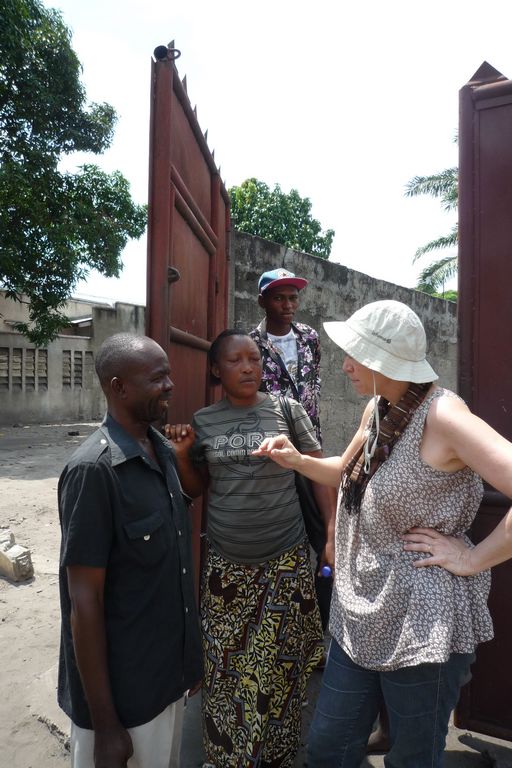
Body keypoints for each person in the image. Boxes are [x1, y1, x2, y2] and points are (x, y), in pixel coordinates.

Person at [254, 299, 498, 768]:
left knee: (412, 757)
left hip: (421, 618)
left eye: (356, 354)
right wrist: (297, 461)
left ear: (386, 360)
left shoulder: (443, 416)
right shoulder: (380, 408)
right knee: (329, 747)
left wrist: (471, 558)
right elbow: (344, 472)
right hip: (362, 610)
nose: (345, 364)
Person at [167, 329, 330, 768]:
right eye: (235, 360)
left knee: (278, 669)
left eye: (254, 359)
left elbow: (318, 472)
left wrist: (331, 532)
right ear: (216, 370)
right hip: (227, 566)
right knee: (224, 668)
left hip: (284, 561)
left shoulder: (287, 410)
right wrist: (183, 454)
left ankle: (274, 756)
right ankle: (225, 756)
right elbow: (197, 489)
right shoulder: (203, 421)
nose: (248, 367)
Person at [58, 333, 202, 768]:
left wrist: (188, 665)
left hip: (166, 682)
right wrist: (105, 726)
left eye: (168, 375)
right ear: (119, 387)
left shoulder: (161, 451)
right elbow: (84, 601)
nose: (170, 385)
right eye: (157, 378)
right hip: (121, 702)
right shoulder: (93, 472)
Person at [250, 268, 335, 634]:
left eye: (293, 298)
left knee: (325, 531)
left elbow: (312, 384)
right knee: (281, 531)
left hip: (310, 444)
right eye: (279, 298)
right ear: (263, 301)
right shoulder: (251, 344)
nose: (288, 305)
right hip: (274, 450)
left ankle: (322, 616)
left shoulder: (309, 337)